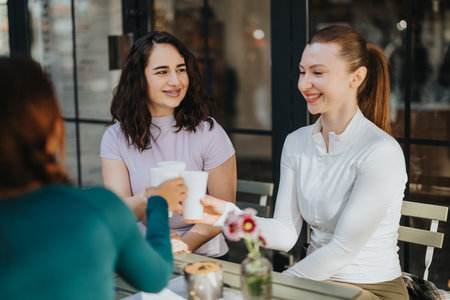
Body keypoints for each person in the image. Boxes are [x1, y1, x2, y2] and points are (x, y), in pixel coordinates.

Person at [187, 25, 409, 300]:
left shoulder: (380, 152)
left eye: (318, 73)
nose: (304, 84)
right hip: (315, 285)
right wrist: (225, 216)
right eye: (302, 72)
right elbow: (285, 233)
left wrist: (274, 287)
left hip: (370, 291)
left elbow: (342, 249)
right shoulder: (297, 142)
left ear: (356, 77)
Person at [0, 57, 187, 299]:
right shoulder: (97, 209)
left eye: (180, 69)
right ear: (54, 127)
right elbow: (155, 277)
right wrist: (158, 202)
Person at [100, 31, 236, 259]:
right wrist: (152, 202)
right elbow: (120, 211)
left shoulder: (209, 132)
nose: (176, 81)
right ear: (139, 79)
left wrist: (185, 244)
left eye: (181, 69)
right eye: (162, 71)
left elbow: (223, 208)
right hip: (144, 252)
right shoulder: (116, 137)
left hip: (204, 256)